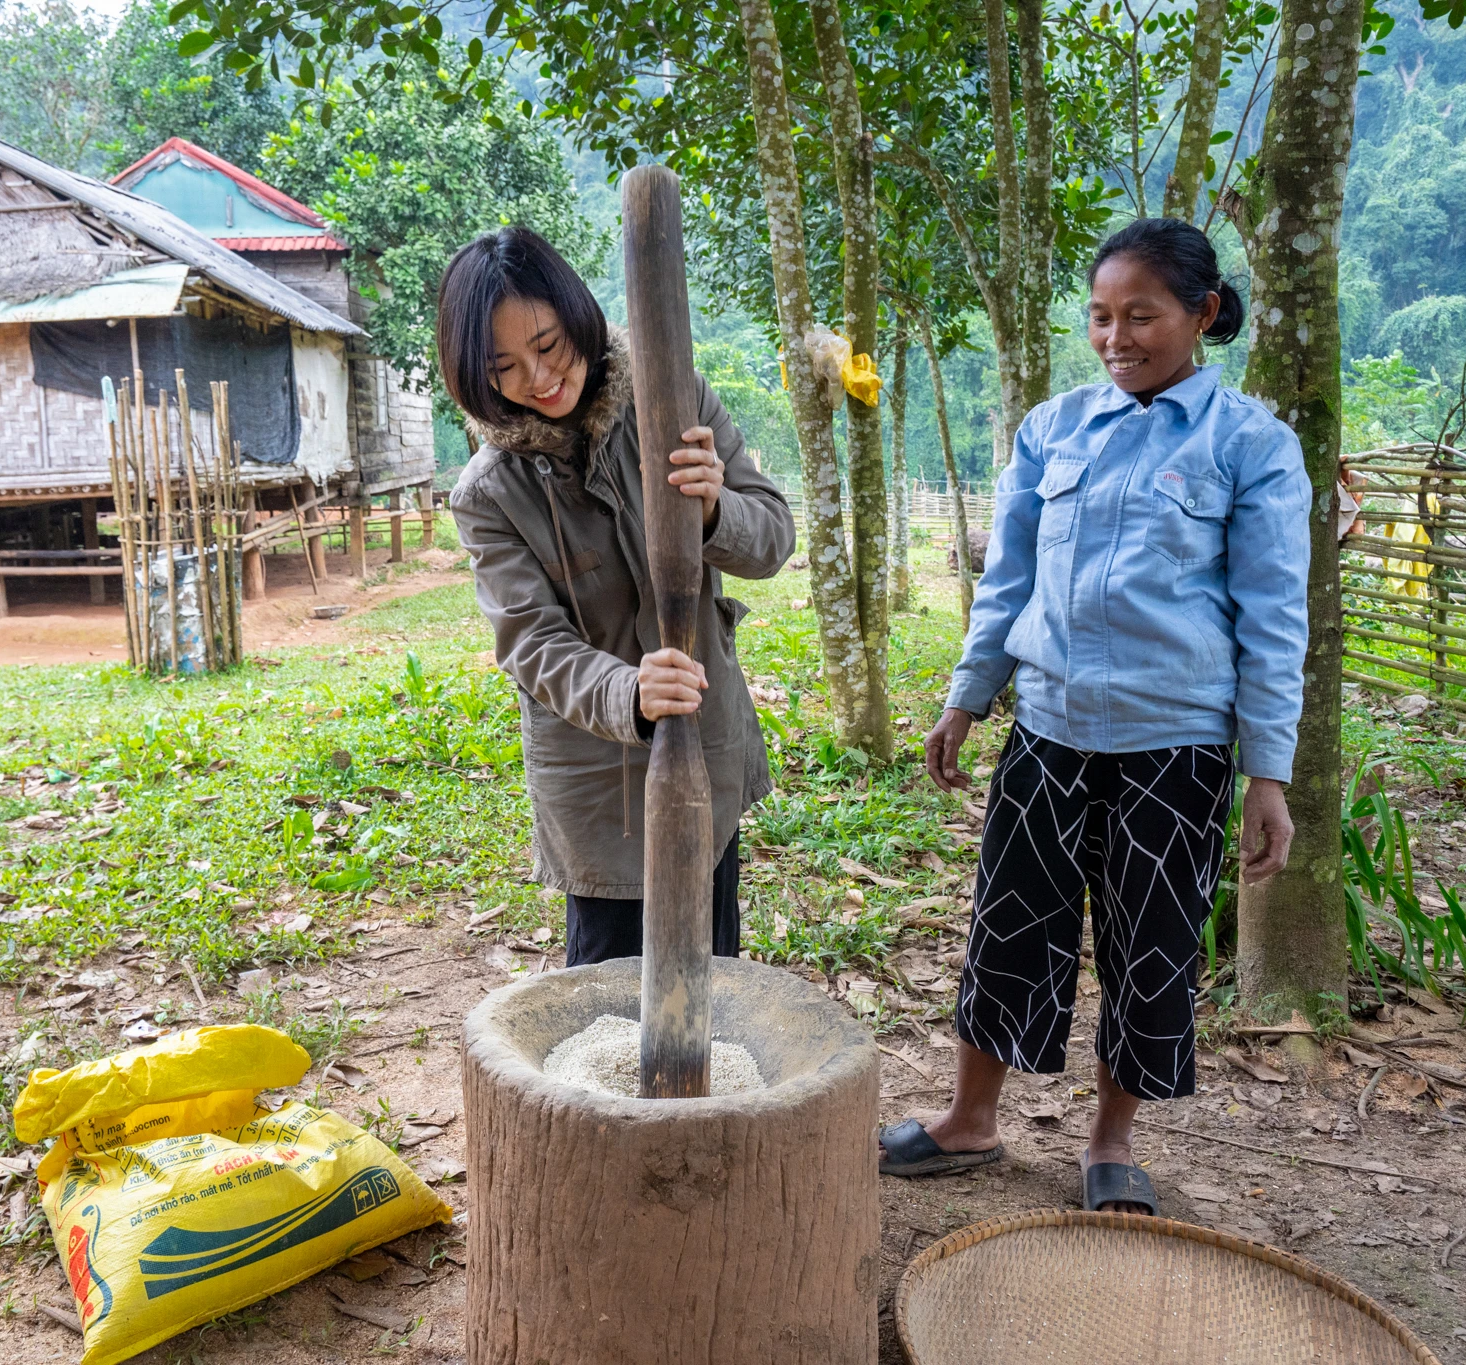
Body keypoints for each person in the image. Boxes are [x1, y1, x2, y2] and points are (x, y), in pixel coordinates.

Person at [878, 218, 1310, 1216]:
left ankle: (1110, 1144)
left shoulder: (1251, 446)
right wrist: (965, 694)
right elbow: (1008, 579)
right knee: (1008, 924)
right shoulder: (1052, 429)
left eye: (1142, 317)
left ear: (1202, 315)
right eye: (1100, 317)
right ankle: (967, 1123)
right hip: (1047, 731)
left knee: (1146, 944)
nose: (1116, 338)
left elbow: (1273, 617)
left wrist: (1266, 773)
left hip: (1175, 747)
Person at [440, 227, 796, 965]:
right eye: (504, 365)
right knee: (607, 1002)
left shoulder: (674, 399)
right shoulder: (488, 494)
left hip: (707, 752)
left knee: (712, 978)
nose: (538, 377)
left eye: (548, 343)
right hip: (597, 788)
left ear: (577, 313)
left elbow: (773, 537)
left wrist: (712, 512)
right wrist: (629, 691)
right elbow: (531, 643)